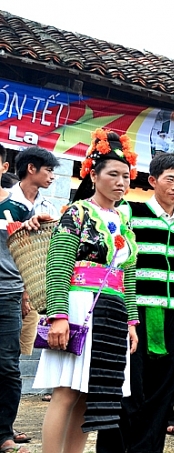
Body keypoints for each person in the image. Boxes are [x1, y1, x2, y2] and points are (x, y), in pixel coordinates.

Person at [33, 128, 140, 453]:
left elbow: (128, 274)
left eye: (126, 175)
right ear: (93, 174)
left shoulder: (124, 221)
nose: (121, 182)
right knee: (67, 390)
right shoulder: (76, 213)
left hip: (113, 312)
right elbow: (58, 265)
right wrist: (59, 316)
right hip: (79, 306)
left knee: (89, 392)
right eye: (113, 174)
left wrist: (132, 322)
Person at [94, 152, 174, 453]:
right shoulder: (130, 212)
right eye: (170, 179)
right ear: (153, 181)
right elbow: (119, 259)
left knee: (163, 393)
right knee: (128, 390)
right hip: (136, 312)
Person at [0, 144, 36, 453]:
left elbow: (29, 255)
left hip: (8, 295)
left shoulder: (20, 209)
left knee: (8, 366)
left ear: (3, 168)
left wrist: (28, 294)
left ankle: (3, 433)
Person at [10, 147, 61, 360]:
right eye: (48, 170)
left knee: (15, 353)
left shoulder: (49, 209)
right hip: (5, 286)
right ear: (31, 168)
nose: (52, 176)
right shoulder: (6, 199)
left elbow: (53, 249)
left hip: (31, 290)